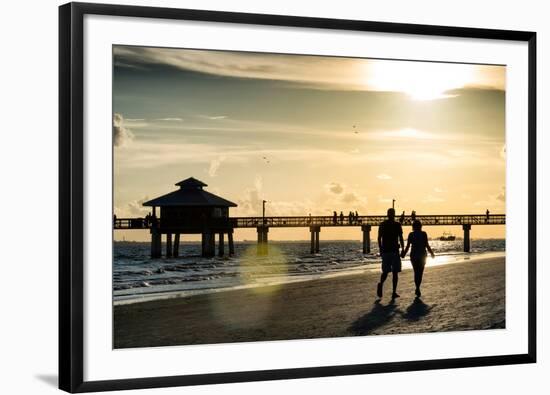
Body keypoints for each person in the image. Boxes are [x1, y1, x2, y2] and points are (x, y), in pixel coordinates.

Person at [401, 220, 434, 297]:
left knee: (416, 272)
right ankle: (418, 288)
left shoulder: (411, 234)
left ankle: (417, 288)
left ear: (413, 227)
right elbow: (427, 245)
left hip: (414, 256)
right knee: (420, 273)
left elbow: (408, 246)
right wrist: (431, 253)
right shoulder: (423, 234)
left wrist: (404, 254)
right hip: (422, 255)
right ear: (420, 226)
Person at [377, 208, 404, 299]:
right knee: (394, 272)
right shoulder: (397, 225)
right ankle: (393, 292)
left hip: (386, 251)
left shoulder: (383, 224)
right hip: (394, 251)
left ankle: (382, 284)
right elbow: (401, 238)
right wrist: (403, 249)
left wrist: (380, 249)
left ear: (387, 214)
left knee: (386, 271)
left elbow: (379, 238)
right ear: (394, 214)